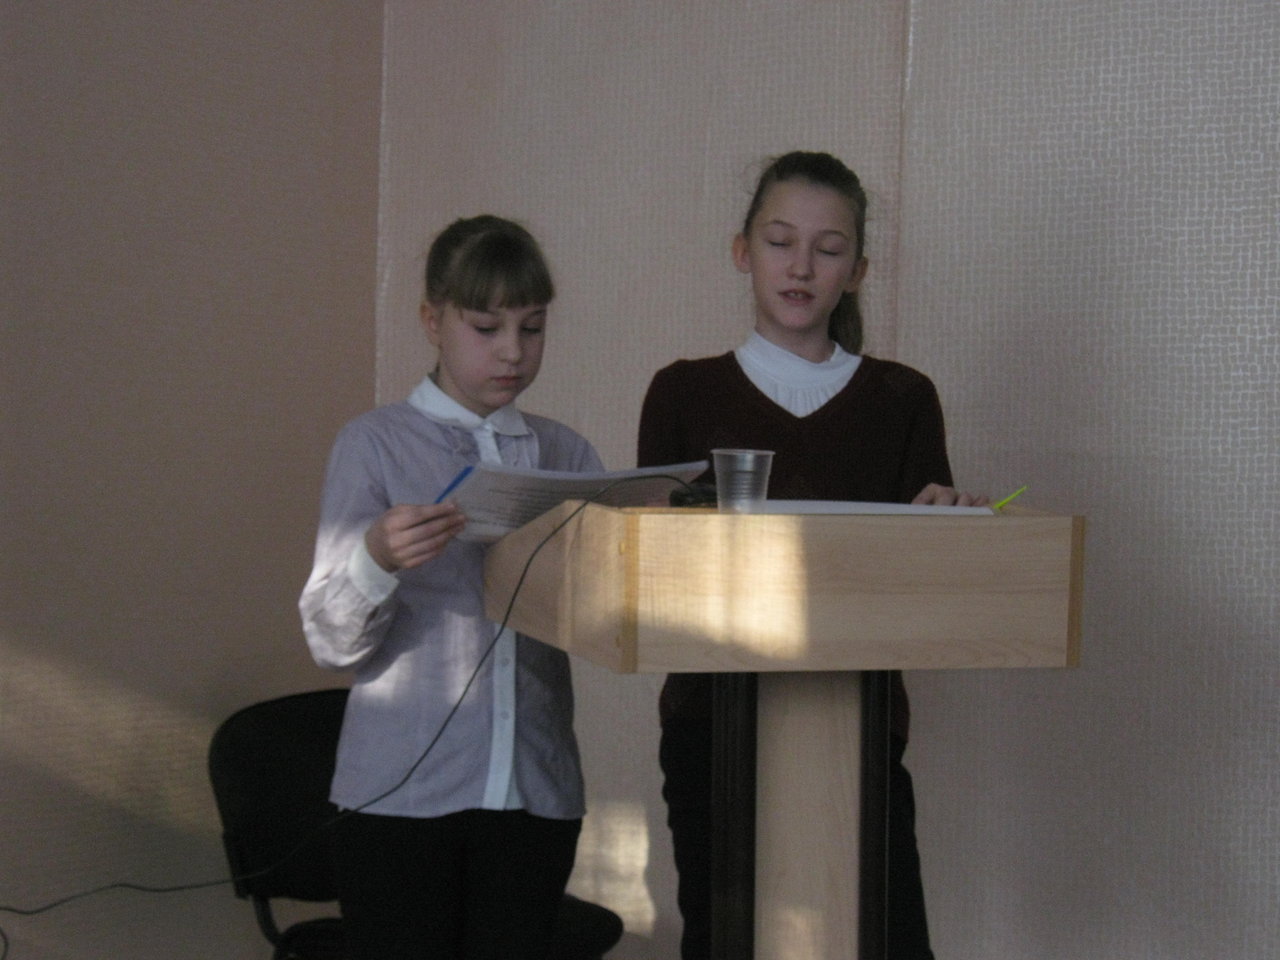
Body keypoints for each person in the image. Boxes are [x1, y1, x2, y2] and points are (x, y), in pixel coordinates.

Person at [637, 151, 988, 960]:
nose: (801, 267)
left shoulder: (902, 399)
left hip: (860, 728)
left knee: (880, 937)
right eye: (780, 242)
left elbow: (924, 597)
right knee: (730, 939)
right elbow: (655, 575)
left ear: (856, 271)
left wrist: (947, 532)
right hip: (712, 727)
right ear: (742, 251)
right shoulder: (684, 392)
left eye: (828, 250)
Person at [299, 215, 603, 960]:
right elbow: (330, 644)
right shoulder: (374, 445)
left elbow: (599, 621)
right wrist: (376, 556)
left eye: (533, 327)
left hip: (534, 794)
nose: (513, 351)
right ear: (433, 321)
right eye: (486, 327)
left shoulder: (565, 453)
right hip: (398, 803)